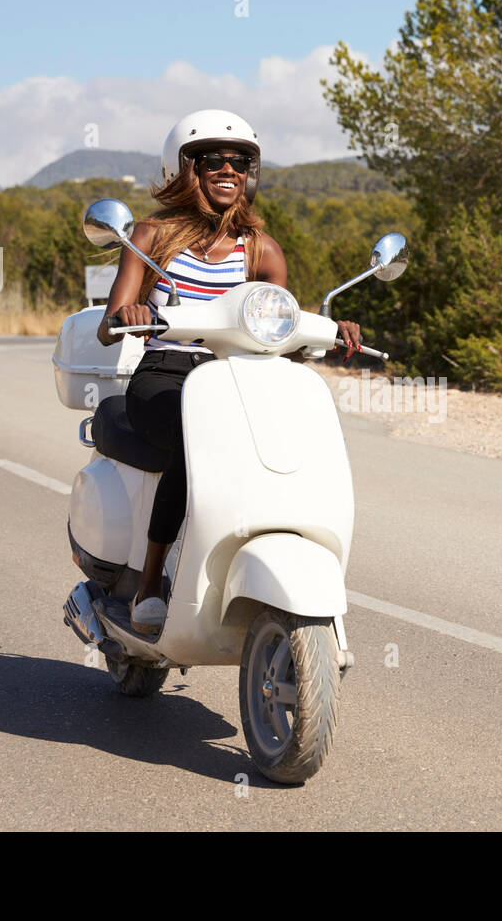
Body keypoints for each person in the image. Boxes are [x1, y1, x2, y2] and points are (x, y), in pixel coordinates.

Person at [96, 109, 363, 633]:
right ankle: (151, 584)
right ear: (185, 168)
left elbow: (282, 328)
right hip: (167, 375)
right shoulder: (151, 236)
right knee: (196, 441)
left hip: (243, 378)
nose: (228, 169)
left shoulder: (261, 250)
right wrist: (128, 315)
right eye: (213, 159)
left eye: (240, 161)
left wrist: (330, 333)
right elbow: (110, 325)